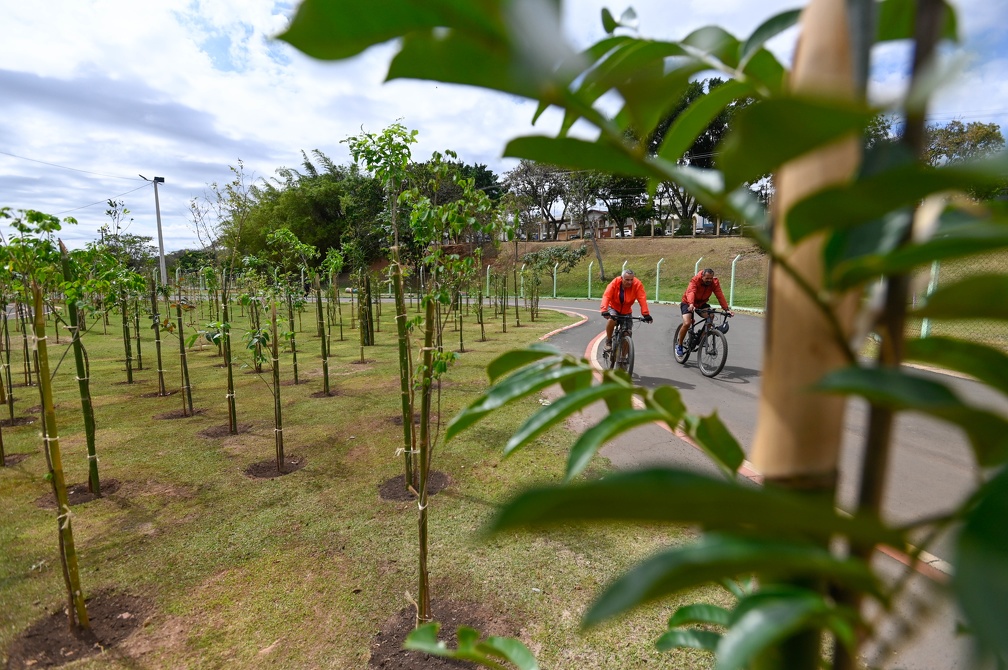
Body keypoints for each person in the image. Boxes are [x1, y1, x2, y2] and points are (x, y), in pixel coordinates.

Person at [676, 268, 733, 357]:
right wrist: (691, 304)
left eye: (711, 278)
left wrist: (726, 309)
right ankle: (679, 345)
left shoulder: (714, 283)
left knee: (711, 316)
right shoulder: (695, 280)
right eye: (707, 278)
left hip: (701, 303)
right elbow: (691, 292)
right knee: (687, 323)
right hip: (688, 303)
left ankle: (701, 338)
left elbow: (719, 295)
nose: (709, 280)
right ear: (702, 276)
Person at [600, 269, 652, 352]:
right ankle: (608, 341)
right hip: (613, 307)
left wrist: (646, 314)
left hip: (627, 311)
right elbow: (607, 296)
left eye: (631, 279)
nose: (629, 282)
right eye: (627, 280)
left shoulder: (637, 284)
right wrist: (604, 310)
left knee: (627, 334)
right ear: (622, 278)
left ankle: (623, 359)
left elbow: (642, 299)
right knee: (612, 319)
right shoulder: (615, 282)